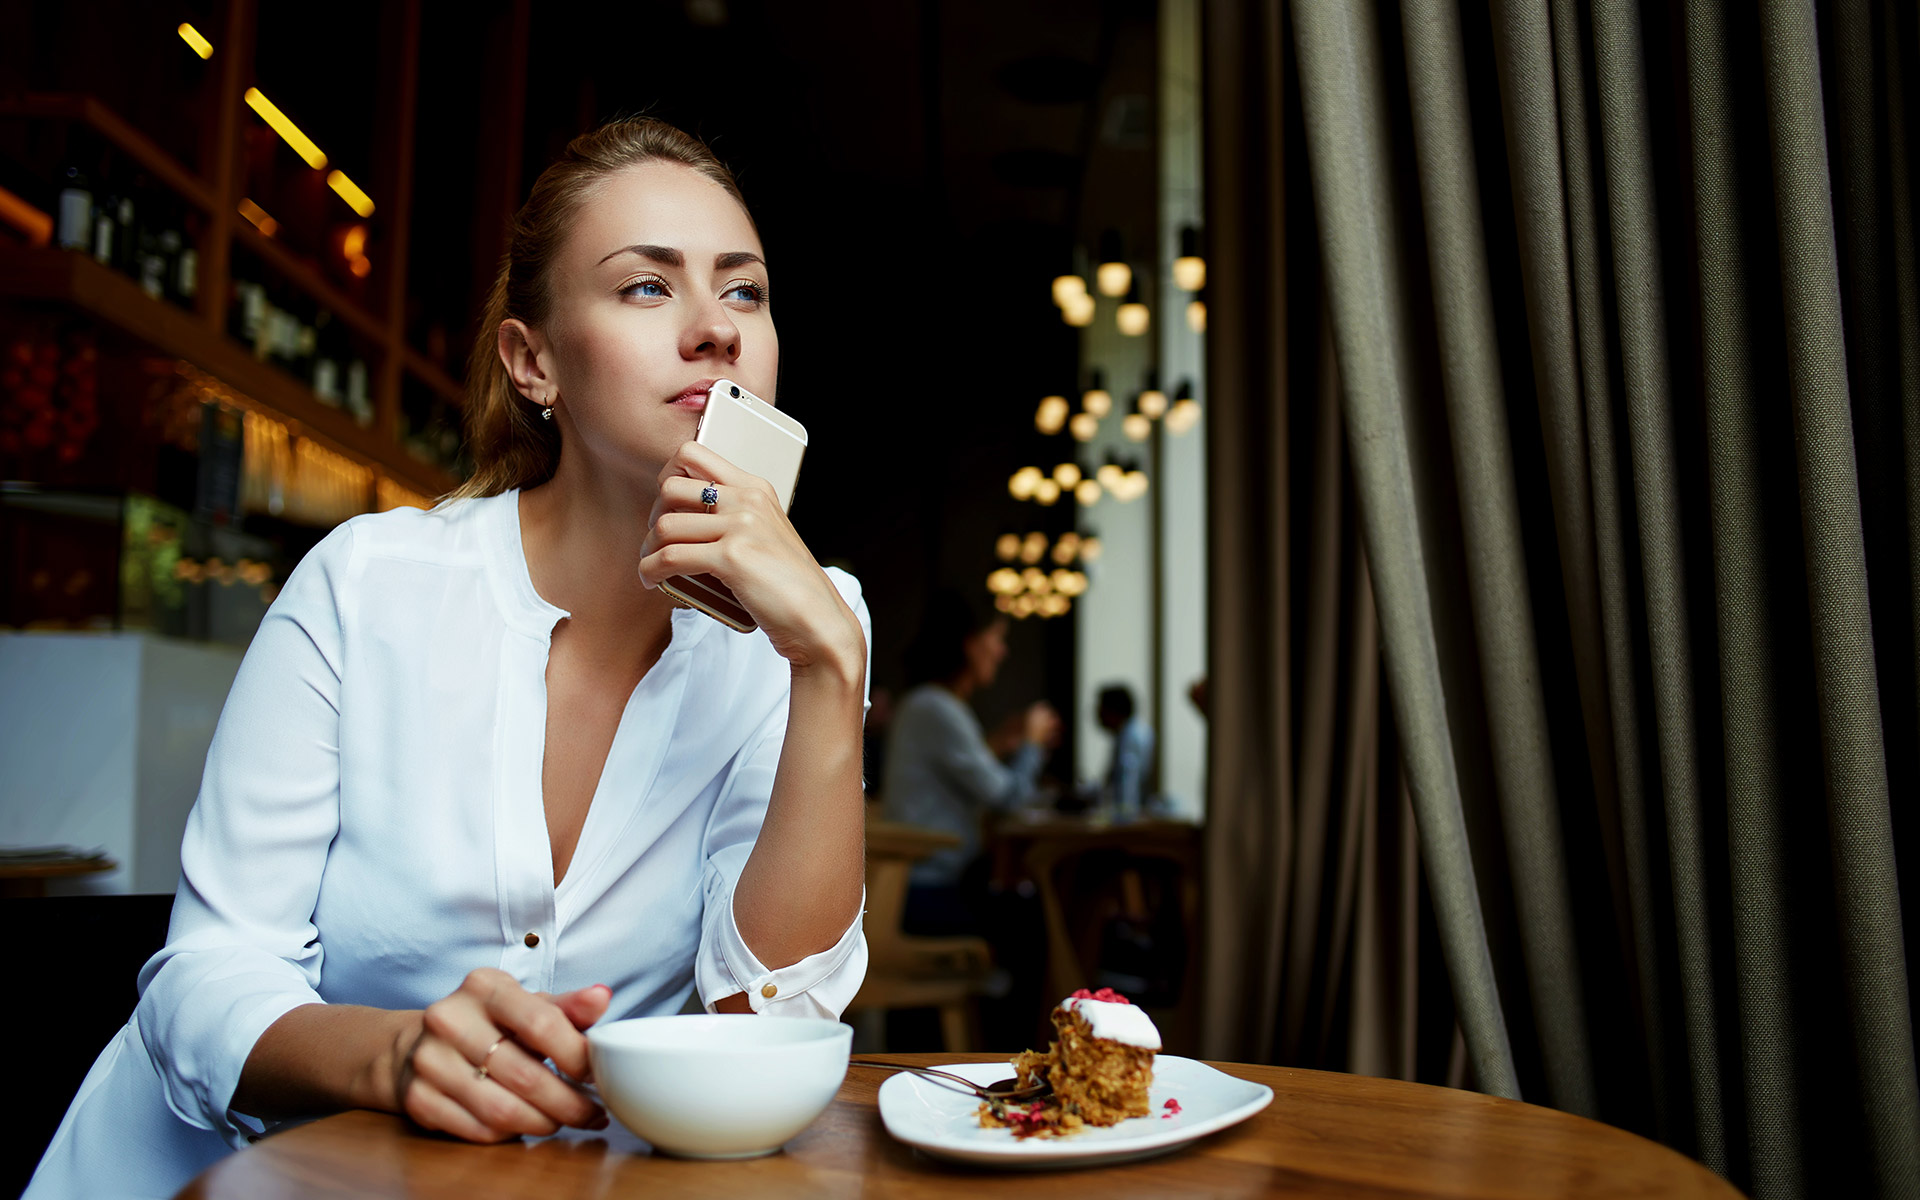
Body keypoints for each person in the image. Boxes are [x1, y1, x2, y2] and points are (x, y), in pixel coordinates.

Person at [27, 118, 871, 1200]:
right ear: (533, 362)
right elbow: (203, 979)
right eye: (647, 289)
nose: (716, 331)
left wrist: (826, 666)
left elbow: (770, 1029)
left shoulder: (811, 627)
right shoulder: (366, 583)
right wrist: (392, 1058)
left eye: (743, 291)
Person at [879, 590, 1060, 934]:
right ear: (969, 644)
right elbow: (1010, 800)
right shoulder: (937, 708)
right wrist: (1033, 743)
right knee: (1039, 915)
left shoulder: (927, 703)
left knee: (1032, 907)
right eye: (996, 639)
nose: (1001, 651)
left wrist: (994, 747)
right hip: (928, 888)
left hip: (922, 883)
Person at [1095, 684, 1155, 819]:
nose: (1097, 714)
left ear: (1112, 711)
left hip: (1130, 822)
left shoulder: (1132, 738)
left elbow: (1128, 788)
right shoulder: (1127, 734)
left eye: (1100, 708)